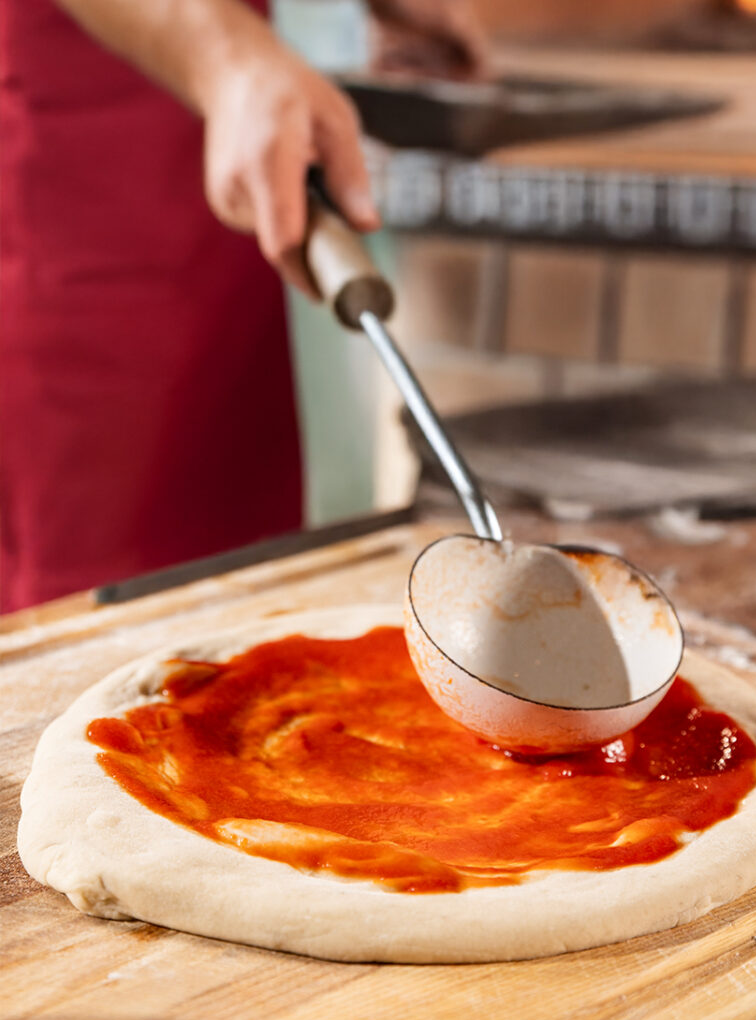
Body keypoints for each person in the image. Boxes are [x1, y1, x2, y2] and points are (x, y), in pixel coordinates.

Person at [0, 0, 486, 612]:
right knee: (128, 628)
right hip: (115, 211)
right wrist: (229, 57)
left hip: (288, 174)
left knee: (306, 600)